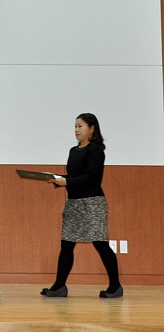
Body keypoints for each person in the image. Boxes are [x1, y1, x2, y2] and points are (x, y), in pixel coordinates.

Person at [41, 113, 123, 298]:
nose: (76, 130)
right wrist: (56, 179)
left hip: (92, 203)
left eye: (80, 126)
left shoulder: (96, 150)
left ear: (92, 128)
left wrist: (66, 182)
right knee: (66, 245)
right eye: (75, 126)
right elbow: (75, 177)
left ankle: (115, 286)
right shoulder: (73, 150)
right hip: (73, 204)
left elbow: (93, 178)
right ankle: (59, 286)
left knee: (101, 244)